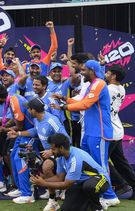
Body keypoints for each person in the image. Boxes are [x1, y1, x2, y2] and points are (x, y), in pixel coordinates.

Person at [51, 60, 120, 208]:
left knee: (100, 165)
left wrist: (63, 107)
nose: (81, 73)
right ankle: (93, 195)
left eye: (84, 70)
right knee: (89, 165)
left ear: (92, 71)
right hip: (90, 132)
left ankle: (110, 196)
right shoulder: (92, 84)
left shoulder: (99, 84)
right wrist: (64, 98)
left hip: (99, 132)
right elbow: (81, 100)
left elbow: (85, 105)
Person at [31, 133, 110, 211]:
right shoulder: (61, 157)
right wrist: (38, 180)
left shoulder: (75, 159)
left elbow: (66, 184)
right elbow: (59, 178)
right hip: (81, 183)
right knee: (67, 209)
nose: (51, 152)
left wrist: (43, 183)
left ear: (61, 148)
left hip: (101, 179)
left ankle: (97, 207)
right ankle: (89, 202)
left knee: (89, 186)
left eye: (53, 149)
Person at [105, 64, 135, 199]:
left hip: (110, 131)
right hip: (117, 129)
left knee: (100, 161)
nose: (105, 74)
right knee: (120, 162)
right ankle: (131, 186)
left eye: (108, 73)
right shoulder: (121, 89)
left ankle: (122, 185)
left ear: (114, 76)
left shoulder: (108, 89)